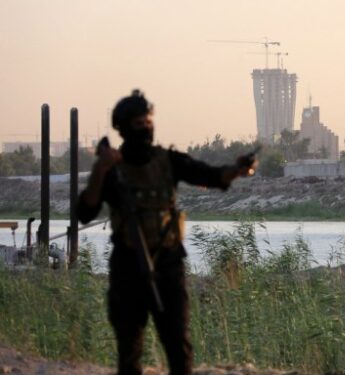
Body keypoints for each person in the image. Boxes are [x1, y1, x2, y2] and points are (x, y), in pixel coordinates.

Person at [78, 89, 258, 375]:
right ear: (124, 128)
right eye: (139, 124)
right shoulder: (112, 169)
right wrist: (100, 170)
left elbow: (209, 175)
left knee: (178, 346)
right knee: (129, 349)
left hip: (168, 265)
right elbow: (85, 212)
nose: (147, 128)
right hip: (128, 265)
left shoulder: (168, 161)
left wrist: (237, 169)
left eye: (149, 122)